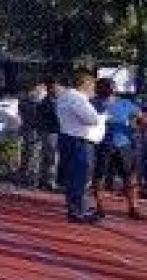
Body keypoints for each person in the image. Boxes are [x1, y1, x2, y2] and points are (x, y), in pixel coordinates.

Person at [54, 71, 106, 224]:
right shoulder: (77, 98)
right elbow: (91, 119)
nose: (94, 90)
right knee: (80, 177)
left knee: (73, 177)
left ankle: (76, 208)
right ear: (85, 84)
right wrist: (101, 116)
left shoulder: (65, 97)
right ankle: (78, 211)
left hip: (68, 138)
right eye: (92, 86)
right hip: (79, 141)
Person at [92, 78, 139, 218]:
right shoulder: (91, 103)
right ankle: (99, 207)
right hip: (101, 145)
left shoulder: (125, 103)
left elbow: (139, 118)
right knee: (99, 176)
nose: (109, 89)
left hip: (123, 145)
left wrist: (137, 125)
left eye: (111, 86)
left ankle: (133, 207)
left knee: (130, 176)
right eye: (104, 87)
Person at [17, 81, 49, 189]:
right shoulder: (36, 103)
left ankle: (25, 178)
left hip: (28, 131)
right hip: (35, 132)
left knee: (27, 155)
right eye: (42, 90)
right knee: (34, 156)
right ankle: (31, 180)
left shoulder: (24, 101)